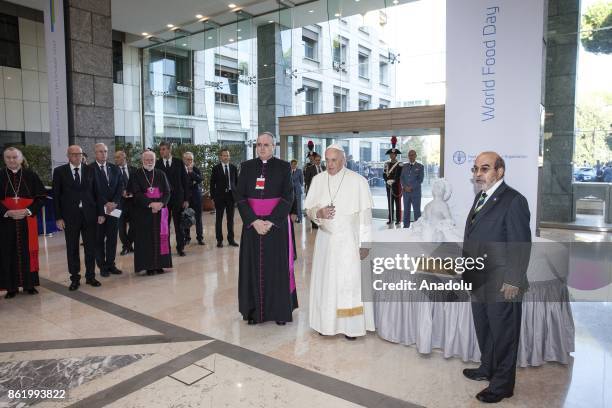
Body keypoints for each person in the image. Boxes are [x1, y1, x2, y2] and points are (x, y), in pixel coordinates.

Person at [461, 151, 531, 403]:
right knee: (485, 328)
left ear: (499, 171)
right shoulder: (481, 197)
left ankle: (502, 385)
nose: (478, 174)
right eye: (475, 169)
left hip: (502, 282)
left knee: (504, 334)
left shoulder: (513, 200)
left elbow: (521, 243)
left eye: (484, 168)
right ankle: (486, 368)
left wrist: (512, 280)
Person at [304, 144, 374, 340]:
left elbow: (365, 216)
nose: (330, 164)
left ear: (344, 160)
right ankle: (324, 323)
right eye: (327, 160)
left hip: (349, 241)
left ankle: (350, 327)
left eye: (334, 160)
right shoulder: (318, 180)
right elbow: (308, 210)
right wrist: (318, 213)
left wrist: (366, 243)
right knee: (326, 283)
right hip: (325, 242)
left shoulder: (358, 181)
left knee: (348, 283)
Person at [234, 131, 297, 325]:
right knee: (252, 268)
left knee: (277, 270)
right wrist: (253, 221)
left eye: (266, 145)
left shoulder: (284, 167)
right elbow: (240, 196)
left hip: (275, 227)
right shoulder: (246, 167)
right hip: (252, 227)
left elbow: (288, 197)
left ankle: (279, 312)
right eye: (259, 145)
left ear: (274, 147)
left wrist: (270, 221)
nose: (261, 148)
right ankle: (253, 312)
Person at [53, 145, 104, 291]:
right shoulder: (59, 172)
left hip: (90, 215)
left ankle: (90, 276)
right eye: (73, 154)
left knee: (90, 247)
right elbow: (56, 196)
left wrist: (101, 213)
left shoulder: (91, 170)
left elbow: (98, 193)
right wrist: (58, 217)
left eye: (79, 154)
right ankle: (74, 278)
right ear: (68, 156)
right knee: (72, 248)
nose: (77, 157)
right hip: (70, 217)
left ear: (82, 155)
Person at [0, 147, 46, 298]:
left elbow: (41, 198)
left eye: (14, 157)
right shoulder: (0, 175)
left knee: (28, 252)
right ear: (4, 159)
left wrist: (27, 211)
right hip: (6, 222)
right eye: (8, 157)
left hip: (27, 221)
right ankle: (11, 287)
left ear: (20, 158)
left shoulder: (31, 176)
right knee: (8, 253)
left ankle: (29, 284)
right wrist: (7, 212)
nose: (12, 160)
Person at [130, 150, 172, 276]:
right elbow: (136, 193)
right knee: (145, 240)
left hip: (160, 212)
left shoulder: (160, 173)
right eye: (147, 160)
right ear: (142, 161)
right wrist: (150, 204)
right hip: (143, 213)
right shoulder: (136, 174)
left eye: (152, 160)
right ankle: (148, 266)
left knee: (161, 238)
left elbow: (167, 192)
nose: (149, 162)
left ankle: (160, 265)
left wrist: (161, 204)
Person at [92, 143, 124, 277]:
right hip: (99, 211)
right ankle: (102, 266)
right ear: (95, 153)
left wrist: (115, 202)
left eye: (105, 151)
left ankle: (111, 264)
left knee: (112, 238)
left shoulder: (115, 168)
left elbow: (120, 187)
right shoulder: (89, 169)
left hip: (114, 209)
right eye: (100, 152)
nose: (103, 154)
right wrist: (105, 203)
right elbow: (92, 191)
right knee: (99, 239)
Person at [156, 141, 190, 256]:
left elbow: (185, 181)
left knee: (178, 224)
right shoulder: (157, 164)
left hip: (178, 199)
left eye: (164, 149)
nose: (162, 151)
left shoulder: (179, 162)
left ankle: (180, 248)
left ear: (170, 150)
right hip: (164, 200)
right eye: (160, 149)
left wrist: (186, 199)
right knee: (164, 225)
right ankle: (166, 248)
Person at [210, 148, 239, 248]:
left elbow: (236, 182)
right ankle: (219, 240)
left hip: (231, 196)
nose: (226, 157)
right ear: (220, 157)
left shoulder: (234, 168)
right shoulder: (215, 168)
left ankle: (231, 239)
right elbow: (212, 183)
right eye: (224, 155)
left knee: (230, 220)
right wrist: (213, 197)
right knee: (219, 219)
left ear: (229, 157)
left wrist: (237, 195)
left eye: (227, 155)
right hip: (220, 197)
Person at [115, 150, 137, 255]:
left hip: (133, 203)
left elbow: (137, 185)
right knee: (121, 227)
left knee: (134, 227)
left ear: (124, 158)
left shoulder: (134, 169)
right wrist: (121, 192)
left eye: (119, 157)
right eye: (116, 157)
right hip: (119, 204)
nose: (116, 159)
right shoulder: (113, 171)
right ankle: (127, 246)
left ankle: (128, 245)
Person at [183, 151, 205, 245]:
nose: (190, 161)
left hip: (196, 198)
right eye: (188, 159)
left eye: (191, 159)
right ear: (184, 160)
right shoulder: (181, 169)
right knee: (186, 217)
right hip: (186, 198)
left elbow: (200, 179)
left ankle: (200, 238)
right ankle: (187, 238)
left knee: (198, 218)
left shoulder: (195, 169)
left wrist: (191, 172)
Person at [400, 149, 424, 228]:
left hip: (415, 193)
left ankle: (418, 227)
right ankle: (406, 226)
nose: (411, 156)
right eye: (410, 155)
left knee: (417, 211)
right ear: (408, 156)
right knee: (406, 210)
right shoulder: (404, 166)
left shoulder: (420, 166)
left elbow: (420, 179)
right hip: (406, 192)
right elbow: (402, 178)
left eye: (413, 155)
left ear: (416, 156)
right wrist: (404, 186)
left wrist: (411, 187)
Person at [383, 138, 402, 225]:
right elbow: (384, 174)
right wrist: (387, 180)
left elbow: (399, 175)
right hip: (388, 186)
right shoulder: (386, 164)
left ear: (396, 155)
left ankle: (398, 219)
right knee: (390, 203)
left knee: (397, 204)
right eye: (390, 154)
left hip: (396, 186)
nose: (391, 155)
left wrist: (393, 181)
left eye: (393, 154)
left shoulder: (399, 164)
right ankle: (391, 219)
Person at [304, 153, 325, 229]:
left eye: (319, 160)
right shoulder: (310, 168)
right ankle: (314, 223)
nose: (318, 161)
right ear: (314, 160)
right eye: (316, 160)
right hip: (313, 192)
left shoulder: (324, 167)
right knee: (314, 208)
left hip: (323, 191)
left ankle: (322, 222)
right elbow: (306, 180)